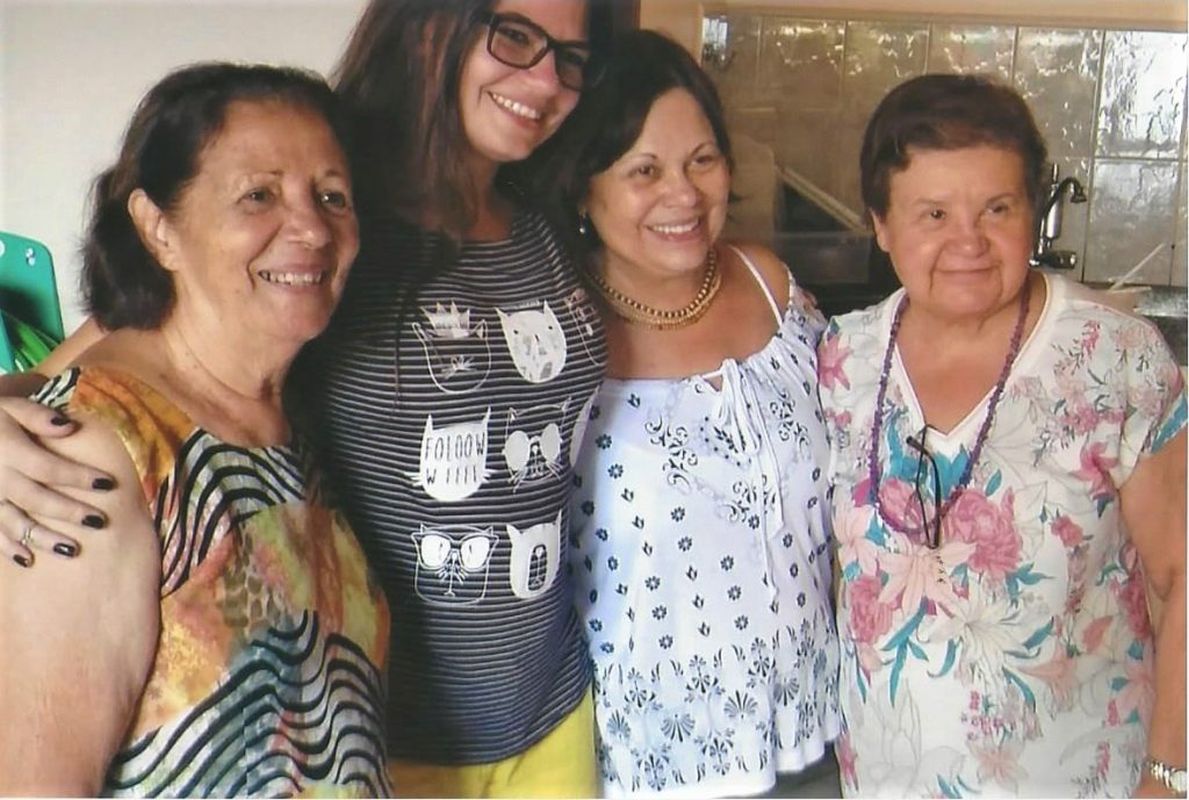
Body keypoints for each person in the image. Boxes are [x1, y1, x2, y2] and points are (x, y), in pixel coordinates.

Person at [0, 2, 608, 796]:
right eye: (515, 36)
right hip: (407, 735)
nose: (546, 77)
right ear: (431, 27)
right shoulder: (337, 218)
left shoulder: (546, 217)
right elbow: (117, 348)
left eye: (569, 56)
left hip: (536, 698)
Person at [0, 63, 391, 795]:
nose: (311, 228)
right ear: (158, 229)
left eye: (331, 196)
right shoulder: (89, 457)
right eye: (258, 195)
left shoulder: (286, 417)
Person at [818, 73, 1186, 797]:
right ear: (881, 224)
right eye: (933, 213)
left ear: (1032, 215)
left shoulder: (1114, 356)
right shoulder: (842, 357)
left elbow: (1182, 576)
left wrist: (1170, 777)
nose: (968, 242)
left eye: (997, 208)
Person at [536, 29, 842, 798]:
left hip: (820, 730)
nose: (683, 194)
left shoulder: (770, 285)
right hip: (650, 764)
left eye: (702, 161)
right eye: (643, 170)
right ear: (583, 186)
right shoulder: (556, 332)